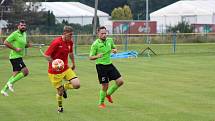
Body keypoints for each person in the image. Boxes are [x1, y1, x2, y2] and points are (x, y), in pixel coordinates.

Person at [43, 26, 80, 113]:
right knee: (60, 92)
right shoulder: (56, 42)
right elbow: (46, 55)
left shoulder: (70, 42)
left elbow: (70, 53)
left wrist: (73, 63)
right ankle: (60, 107)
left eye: (72, 35)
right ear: (64, 33)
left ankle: (64, 87)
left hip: (65, 68)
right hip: (54, 71)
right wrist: (55, 64)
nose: (71, 37)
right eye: (70, 35)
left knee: (77, 85)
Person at [89, 26, 124, 108]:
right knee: (105, 86)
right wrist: (97, 56)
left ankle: (108, 94)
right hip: (101, 67)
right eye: (102, 33)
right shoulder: (95, 44)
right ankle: (101, 103)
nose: (104, 35)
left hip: (109, 65)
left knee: (120, 81)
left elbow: (114, 48)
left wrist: (115, 50)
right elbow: (90, 57)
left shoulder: (110, 40)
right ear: (98, 34)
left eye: (105, 33)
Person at [1, 20, 31, 96]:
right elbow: (5, 42)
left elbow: (23, 45)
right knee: (25, 72)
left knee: (15, 75)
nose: (23, 27)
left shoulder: (24, 33)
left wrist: (27, 45)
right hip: (15, 57)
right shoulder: (15, 34)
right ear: (18, 26)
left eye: (24, 25)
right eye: (21, 25)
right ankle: (10, 83)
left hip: (18, 56)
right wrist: (15, 49)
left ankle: (4, 90)